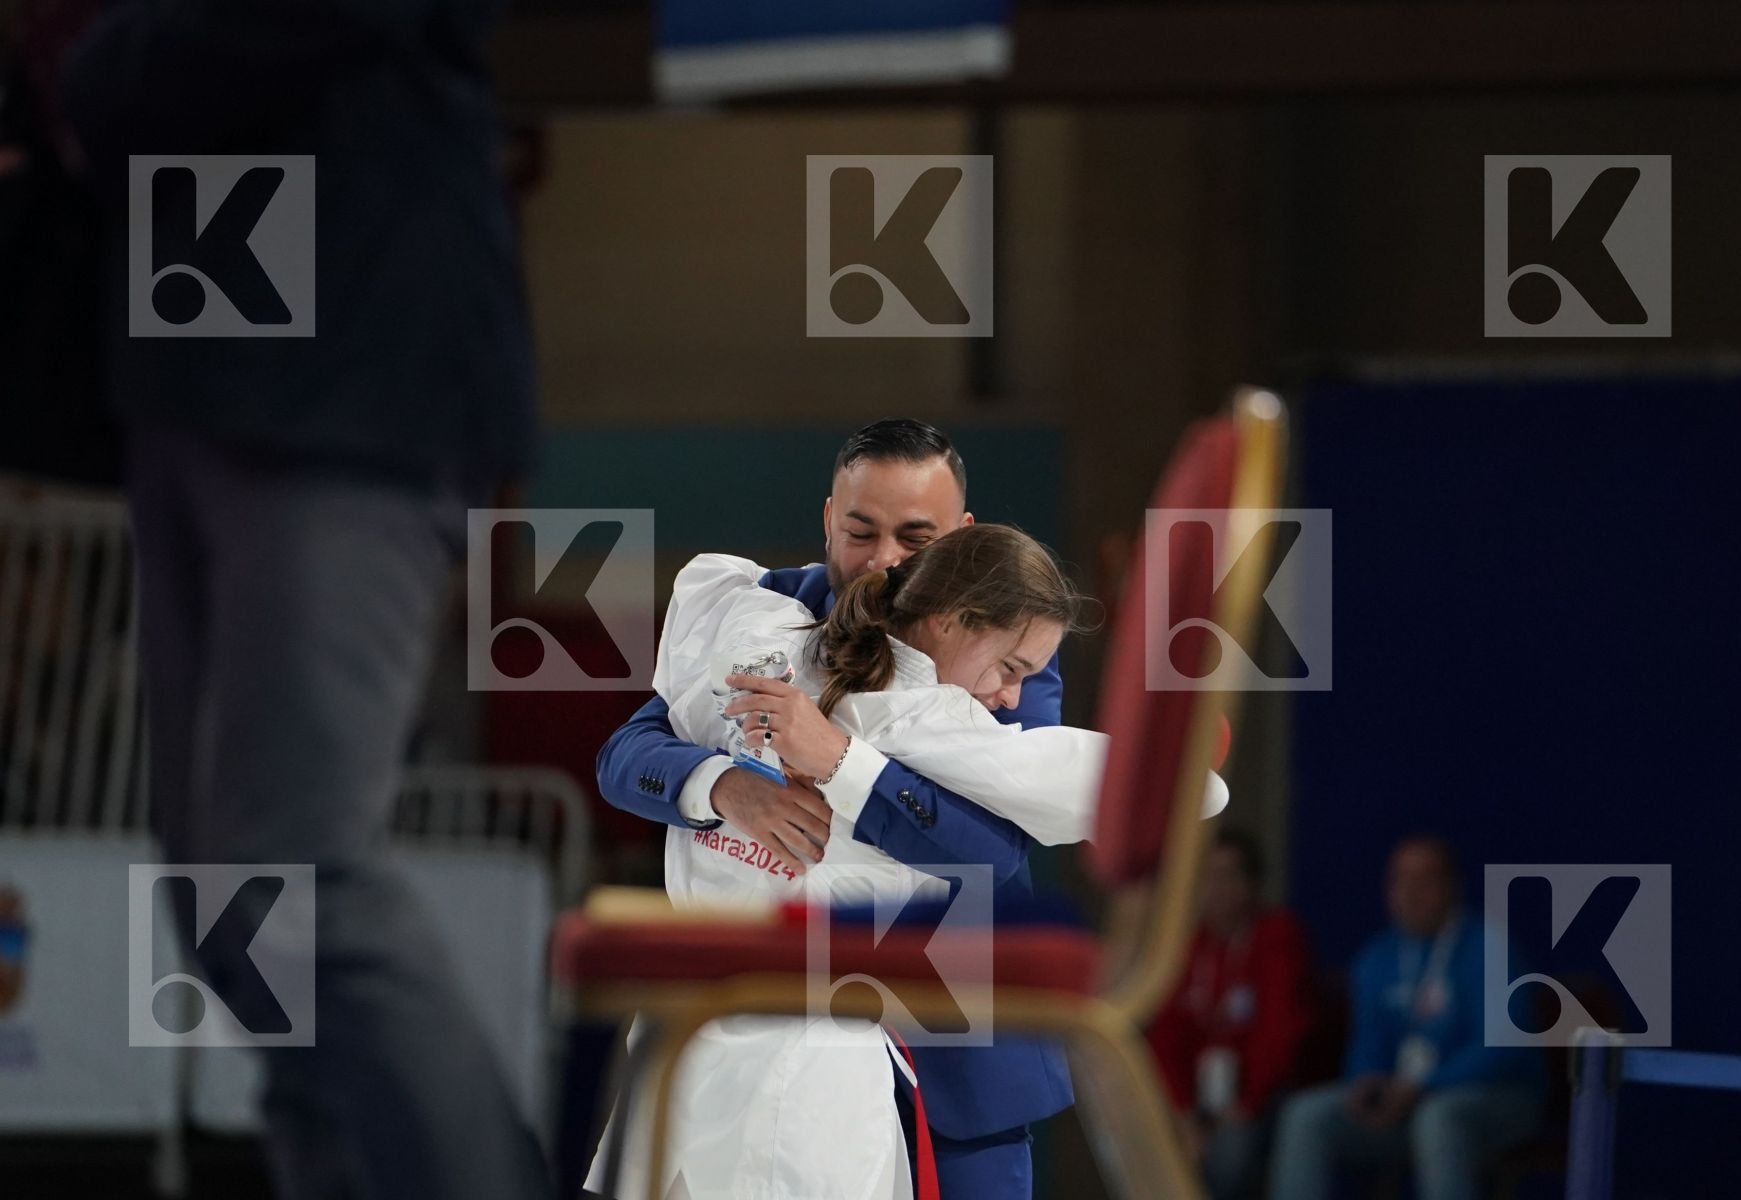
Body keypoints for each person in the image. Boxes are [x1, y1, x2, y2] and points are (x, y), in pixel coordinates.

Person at [57, 3, 550, 1198]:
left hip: (342, 389)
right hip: (198, 381)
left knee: (295, 883)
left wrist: (89, 69)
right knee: (227, 899)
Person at [591, 524, 1228, 1199]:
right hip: (812, 1080)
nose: (1013, 697)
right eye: (1011, 668)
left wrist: (836, 758)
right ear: (952, 620)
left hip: (681, 1045)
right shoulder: (938, 729)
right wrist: (723, 783)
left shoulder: (753, 634)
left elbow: (706, 577)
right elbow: (1157, 787)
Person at [596, 419, 1072, 1198]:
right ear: (827, 521)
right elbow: (626, 757)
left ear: (962, 537)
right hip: (765, 1030)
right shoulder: (760, 613)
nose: (884, 559)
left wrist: (844, 763)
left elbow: (996, 852)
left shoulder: (1008, 665)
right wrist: (724, 786)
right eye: (861, 531)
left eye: (915, 537)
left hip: (951, 1041)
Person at [1267, 836, 1546, 1200]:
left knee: (1439, 1117)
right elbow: (1367, 1043)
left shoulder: (1489, 948)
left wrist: (1425, 1085)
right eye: (1401, 880)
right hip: (1406, 1101)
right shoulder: (1375, 958)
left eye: (1425, 880)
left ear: (1452, 887)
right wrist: (1365, 1084)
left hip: (1498, 1100)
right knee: (1306, 1114)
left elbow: (1499, 1047)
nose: (1412, 892)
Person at [1147, 829, 1313, 1200]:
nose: (1217, 888)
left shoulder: (1276, 936)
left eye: (1229, 876)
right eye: (1208, 876)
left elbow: (1279, 1032)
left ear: (1252, 883)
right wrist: (1183, 1115)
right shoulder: (1191, 946)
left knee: (1230, 1152)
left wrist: (1245, 1104)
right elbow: (1167, 1036)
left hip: (1262, 1099)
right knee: (1153, 1143)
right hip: (1200, 1104)